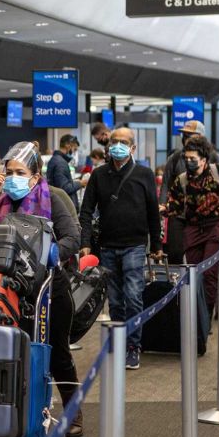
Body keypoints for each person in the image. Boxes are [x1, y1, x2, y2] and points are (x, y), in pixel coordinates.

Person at [0, 141, 84, 436]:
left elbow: (73, 237)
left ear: (35, 175)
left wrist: (50, 253)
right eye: (9, 171)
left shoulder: (54, 197)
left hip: (51, 289)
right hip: (12, 291)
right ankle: (16, 419)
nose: (12, 176)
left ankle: (74, 414)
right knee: (13, 353)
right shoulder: (1, 201)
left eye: (19, 172)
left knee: (58, 354)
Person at [79, 128, 163, 370]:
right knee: (114, 300)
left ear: (133, 148)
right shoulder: (99, 175)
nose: (117, 145)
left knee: (134, 297)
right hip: (107, 245)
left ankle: (134, 346)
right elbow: (86, 212)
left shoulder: (144, 174)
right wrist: (85, 243)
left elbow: (152, 213)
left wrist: (156, 244)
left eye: (123, 142)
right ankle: (119, 342)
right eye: (114, 141)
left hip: (135, 245)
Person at [165, 137, 219, 315]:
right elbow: (174, 208)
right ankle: (195, 313)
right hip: (193, 229)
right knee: (195, 275)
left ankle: (205, 316)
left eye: (193, 159)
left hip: (217, 227)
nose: (188, 161)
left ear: (203, 159)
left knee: (210, 274)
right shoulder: (181, 180)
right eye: (186, 158)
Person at [159, 121, 219, 264]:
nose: (185, 138)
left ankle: (198, 284)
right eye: (184, 135)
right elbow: (165, 183)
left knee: (200, 254)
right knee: (174, 252)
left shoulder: (213, 157)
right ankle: (176, 283)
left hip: (204, 215)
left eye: (189, 135)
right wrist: (162, 204)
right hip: (178, 212)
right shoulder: (175, 158)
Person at [46, 134, 87, 212]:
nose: (74, 152)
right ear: (68, 145)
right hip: (64, 207)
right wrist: (80, 183)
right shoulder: (60, 163)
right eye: (74, 149)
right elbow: (64, 188)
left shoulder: (55, 159)